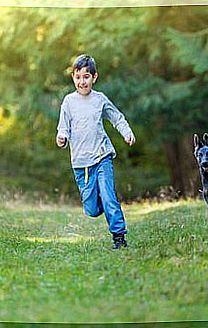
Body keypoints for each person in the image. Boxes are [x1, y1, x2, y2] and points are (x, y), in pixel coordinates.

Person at [56, 54, 136, 248]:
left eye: (86, 77)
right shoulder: (68, 102)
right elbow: (63, 126)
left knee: (109, 197)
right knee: (91, 209)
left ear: (94, 77)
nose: (82, 81)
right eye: (78, 77)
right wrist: (61, 137)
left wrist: (127, 132)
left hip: (102, 156)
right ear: (73, 78)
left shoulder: (99, 99)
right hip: (81, 163)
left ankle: (119, 236)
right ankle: (103, 201)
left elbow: (116, 117)